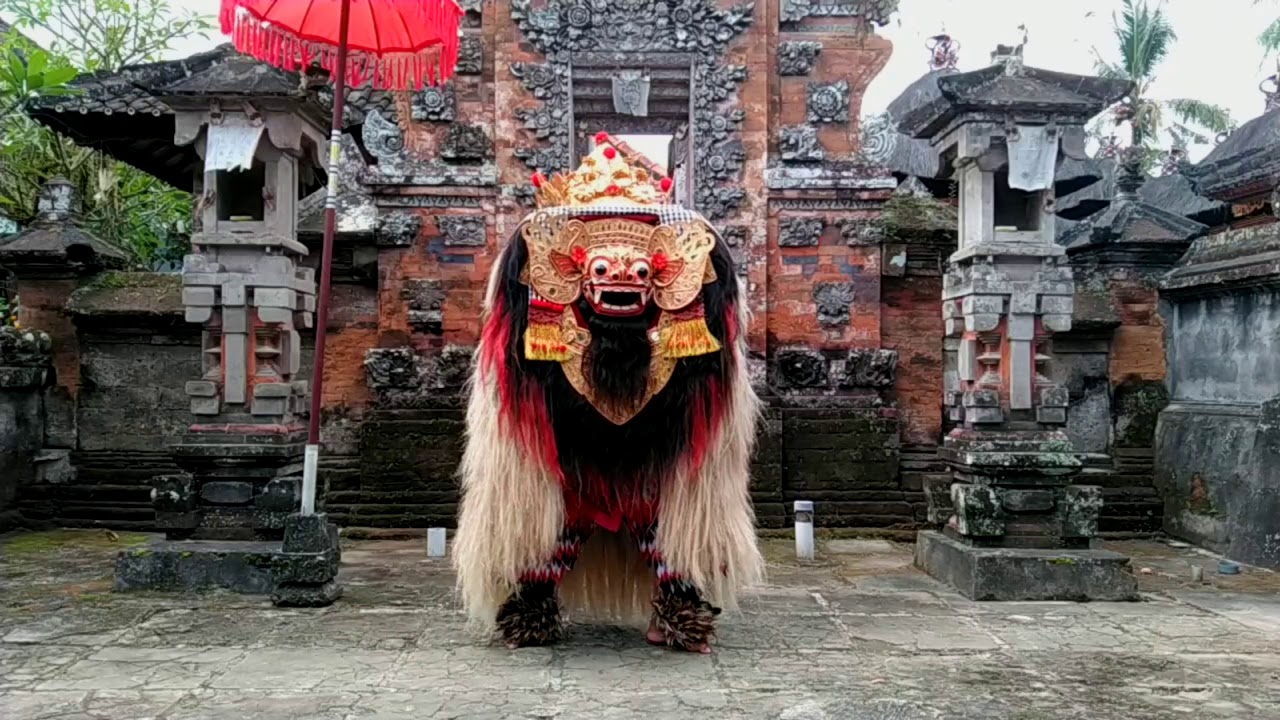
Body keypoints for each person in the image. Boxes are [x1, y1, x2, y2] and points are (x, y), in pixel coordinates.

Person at [453, 133, 763, 653]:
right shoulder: (532, 305)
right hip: (556, 416)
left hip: (663, 418)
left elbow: (713, 362)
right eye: (601, 266)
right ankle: (530, 604)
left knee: (670, 506)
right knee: (547, 506)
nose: (622, 275)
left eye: (641, 269)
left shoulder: (693, 312)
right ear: (567, 270)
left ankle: (681, 606)